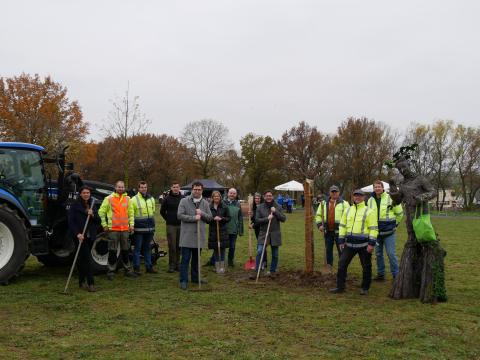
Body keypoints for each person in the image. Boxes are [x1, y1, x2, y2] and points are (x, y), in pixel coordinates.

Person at [330, 189, 378, 295]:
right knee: (342, 264)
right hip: (349, 244)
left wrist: (371, 243)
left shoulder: (369, 211)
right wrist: (341, 240)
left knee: (366, 266)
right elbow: (342, 226)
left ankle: (365, 288)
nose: (357, 197)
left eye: (360, 196)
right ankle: (340, 287)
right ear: (353, 197)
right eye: (355, 196)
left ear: (364, 197)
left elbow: (374, 229)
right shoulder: (348, 210)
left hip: (364, 245)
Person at [98, 180, 137, 280]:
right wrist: (104, 224)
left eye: (122, 187)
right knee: (112, 251)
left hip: (125, 229)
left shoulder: (128, 199)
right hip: (113, 229)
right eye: (119, 187)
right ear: (115, 187)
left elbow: (131, 213)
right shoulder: (109, 198)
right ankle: (111, 271)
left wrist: (131, 225)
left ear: (124, 188)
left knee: (125, 250)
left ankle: (127, 270)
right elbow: (101, 212)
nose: (121, 188)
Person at [177, 181, 212, 290]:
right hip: (187, 237)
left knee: (197, 260)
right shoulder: (184, 201)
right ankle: (183, 280)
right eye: (195, 189)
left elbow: (210, 218)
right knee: (185, 259)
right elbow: (180, 215)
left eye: (199, 189)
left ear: (202, 190)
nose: (197, 191)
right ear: (192, 190)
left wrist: (202, 214)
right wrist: (193, 218)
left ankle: (195, 277)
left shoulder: (205, 203)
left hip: (198, 237)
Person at [367, 180, 403, 281]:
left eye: (379, 186)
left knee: (391, 254)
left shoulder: (390, 198)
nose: (377, 188)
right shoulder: (370, 200)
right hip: (376, 234)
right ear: (373, 188)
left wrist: (395, 225)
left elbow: (400, 214)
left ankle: (396, 275)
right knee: (378, 255)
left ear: (383, 188)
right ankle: (381, 274)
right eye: (375, 187)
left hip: (389, 233)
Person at [68, 185, 101, 292]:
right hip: (79, 237)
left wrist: (92, 215)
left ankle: (81, 281)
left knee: (82, 259)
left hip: (90, 236)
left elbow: (98, 221)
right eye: (84, 193)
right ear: (80, 194)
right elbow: (71, 221)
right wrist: (77, 234)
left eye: (88, 193)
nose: (86, 194)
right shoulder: (75, 205)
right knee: (87, 258)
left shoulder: (92, 205)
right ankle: (91, 283)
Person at [315, 185, 350, 268]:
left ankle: (342, 266)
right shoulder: (323, 203)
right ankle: (329, 266)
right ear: (329, 193)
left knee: (341, 250)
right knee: (328, 250)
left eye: (336, 192)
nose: (334, 193)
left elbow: (349, 217)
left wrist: (346, 230)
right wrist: (320, 225)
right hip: (328, 231)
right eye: (332, 192)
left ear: (339, 192)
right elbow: (318, 215)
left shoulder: (345, 204)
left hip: (340, 232)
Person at [254, 190, 286, 277]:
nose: (269, 197)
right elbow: (256, 220)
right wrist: (266, 218)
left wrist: (275, 212)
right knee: (260, 251)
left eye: (270, 195)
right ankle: (257, 270)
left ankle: (272, 271)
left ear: (272, 197)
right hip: (264, 233)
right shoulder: (260, 207)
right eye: (267, 196)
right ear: (264, 197)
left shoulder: (278, 206)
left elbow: (283, 219)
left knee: (275, 254)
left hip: (275, 233)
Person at [131, 181, 157, 275]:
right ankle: (136, 268)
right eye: (142, 187)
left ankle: (149, 267)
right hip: (139, 229)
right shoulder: (133, 199)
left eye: (145, 187)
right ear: (138, 188)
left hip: (149, 228)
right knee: (137, 249)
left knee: (147, 248)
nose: (144, 189)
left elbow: (153, 211)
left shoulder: (151, 199)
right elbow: (131, 214)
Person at [160, 182, 184, 272]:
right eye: (174, 187)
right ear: (171, 188)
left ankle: (178, 264)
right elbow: (162, 211)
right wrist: (168, 219)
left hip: (181, 225)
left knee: (179, 246)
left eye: (177, 187)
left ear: (179, 188)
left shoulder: (183, 198)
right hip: (171, 226)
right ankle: (171, 265)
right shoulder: (167, 199)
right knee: (172, 246)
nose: (175, 189)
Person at [207, 191, 230, 269]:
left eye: (218, 196)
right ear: (212, 197)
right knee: (216, 248)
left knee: (222, 248)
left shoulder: (224, 206)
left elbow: (228, 218)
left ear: (220, 197)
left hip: (222, 231)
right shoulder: (209, 207)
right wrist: (213, 219)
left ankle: (222, 266)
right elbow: (207, 219)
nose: (216, 197)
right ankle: (217, 266)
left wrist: (221, 218)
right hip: (213, 231)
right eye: (215, 196)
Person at [224, 188, 244, 267]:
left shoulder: (238, 204)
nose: (232, 195)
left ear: (236, 195)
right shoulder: (223, 203)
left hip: (234, 229)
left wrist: (240, 230)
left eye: (234, 193)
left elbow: (240, 217)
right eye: (231, 193)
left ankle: (230, 261)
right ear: (228, 193)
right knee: (221, 245)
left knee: (232, 246)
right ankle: (216, 260)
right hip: (224, 228)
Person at [249, 192, 267, 269]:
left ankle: (263, 262)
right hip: (257, 229)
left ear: (261, 199)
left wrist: (253, 224)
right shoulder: (253, 207)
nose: (257, 200)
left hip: (263, 228)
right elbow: (254, 219)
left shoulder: (263, 207)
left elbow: (261, 220)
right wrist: (251, 217)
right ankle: (262, 262)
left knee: (261, 246)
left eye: (258, 198)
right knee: (260, 245)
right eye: (255, 198)